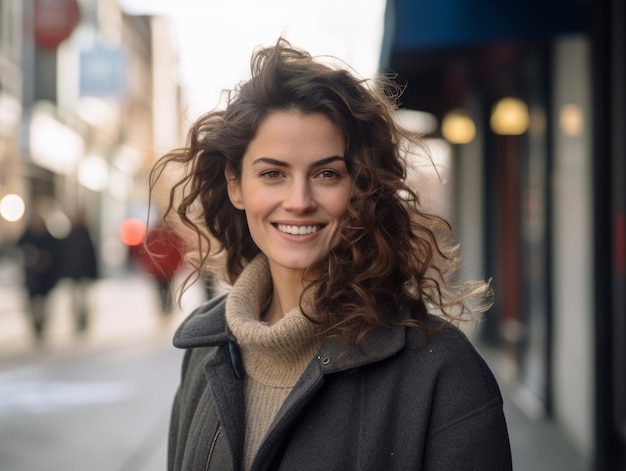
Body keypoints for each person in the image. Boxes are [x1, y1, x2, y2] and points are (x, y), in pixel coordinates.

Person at [156, 38, 512, 470]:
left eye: (326, 173)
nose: (299, 200)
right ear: (236, 185)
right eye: (273, 174)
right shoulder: (204, 352)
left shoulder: (443, 375)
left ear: (360, 186)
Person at [17, 206, 60, 341]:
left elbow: (55, 255)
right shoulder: (27, 235)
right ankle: (35, 325)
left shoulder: (48, 236)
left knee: (44, 303)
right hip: (32, 276)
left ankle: (42, 325)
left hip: (45, 276)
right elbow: (18, 248)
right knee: (32, 303)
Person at [58, 209, 99, 333]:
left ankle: (82, 321)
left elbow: (91, 256)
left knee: (82, 300)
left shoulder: (85, 235)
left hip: (81, 273)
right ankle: (79, 322)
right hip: (75, 273)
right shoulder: (74, 235)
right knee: (76, 300)